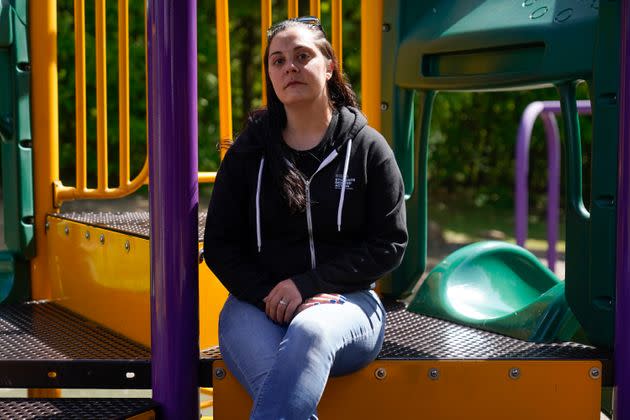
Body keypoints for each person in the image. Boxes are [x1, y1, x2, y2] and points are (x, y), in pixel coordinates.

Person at [203, 16, 408, 419]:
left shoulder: (368, 147)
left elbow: (390, 243)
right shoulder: (249, 152)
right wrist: (273, 296)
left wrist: (308, 286)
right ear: (270, 74)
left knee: (310, 329)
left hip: (347, 307)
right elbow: (221, 247)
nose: (289, 67)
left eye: (302, 56)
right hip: (254, 306)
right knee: (279, 397)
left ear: (329, 66)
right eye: (277, 61)